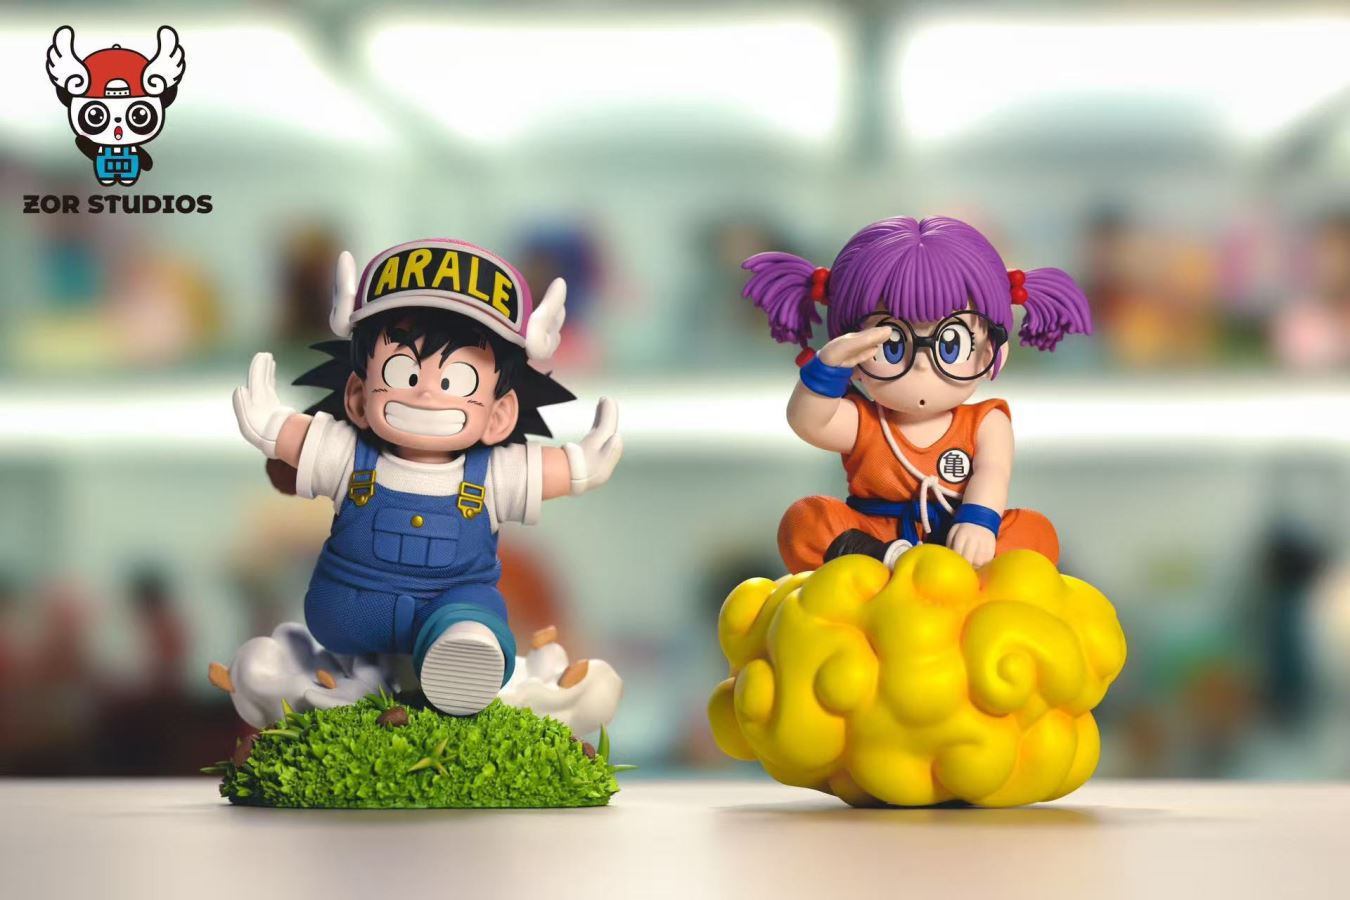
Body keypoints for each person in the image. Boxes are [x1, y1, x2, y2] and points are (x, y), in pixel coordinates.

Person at [232, 239, 623, 715]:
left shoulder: (492, 474)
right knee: (351, 627)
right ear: (357, 397)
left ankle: (463, 657)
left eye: (456, 381)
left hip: (451, 604)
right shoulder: (350, 456)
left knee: (476, 619)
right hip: (353, 605)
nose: (426, 395)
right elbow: (300, 440)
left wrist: (582, 465)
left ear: (499, 415)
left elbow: (544, 471)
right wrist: (270, 424)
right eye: (404, 372)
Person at [741, 216, 1091, 573]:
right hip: (874, 539)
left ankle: (958, 567)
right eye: (893, 344)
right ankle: (886, 559)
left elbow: (993, 472)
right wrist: (828, 366)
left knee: (1036, 533)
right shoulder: (866, 421)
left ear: (992, 352)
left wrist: (978, 522)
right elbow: (809, 422)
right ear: (856, 356)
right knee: (805, 521)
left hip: (958, 539)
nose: (922, 364)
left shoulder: (987, 422)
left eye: (950, 344)